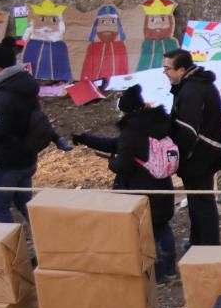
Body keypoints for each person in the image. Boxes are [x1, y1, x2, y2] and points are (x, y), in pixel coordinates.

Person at [72, 85, 179, 283]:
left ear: (126, 111)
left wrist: (110, 162)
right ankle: (170, 269)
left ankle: (156, 273)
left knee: (147, 233)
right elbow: (119, 144)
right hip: (162, 186)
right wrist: (87, 140)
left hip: (141, 190)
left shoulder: (131, 133)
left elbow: (123, 164)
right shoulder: (155, 125)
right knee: (163, 228)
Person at [163, 48, 221, 247]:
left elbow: (187, 131)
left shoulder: (192, 91)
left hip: (200, 155)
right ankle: (197, 241)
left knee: (203, 204)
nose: (165, 72)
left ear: (181, 69)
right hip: (202, 154)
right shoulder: (194, 85)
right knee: (197, 203)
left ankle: (208, 247)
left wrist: (176, 157)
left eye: (168, 69)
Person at [0, 39, 45, 223]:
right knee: (24, 201)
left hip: (7, 162)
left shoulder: (4, 95)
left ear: (0, 66)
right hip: (27, 159)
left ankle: (10, 251)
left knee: (0, 208)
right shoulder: (24, 85)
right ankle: (51, 238)